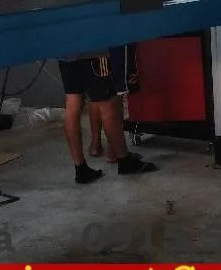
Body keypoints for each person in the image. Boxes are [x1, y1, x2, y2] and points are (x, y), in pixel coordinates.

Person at [58, 46, 157, 184]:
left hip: (65, 54)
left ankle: (80, 168)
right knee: (107, 105)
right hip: (94, 52)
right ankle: (124, 160)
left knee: (72, 104)